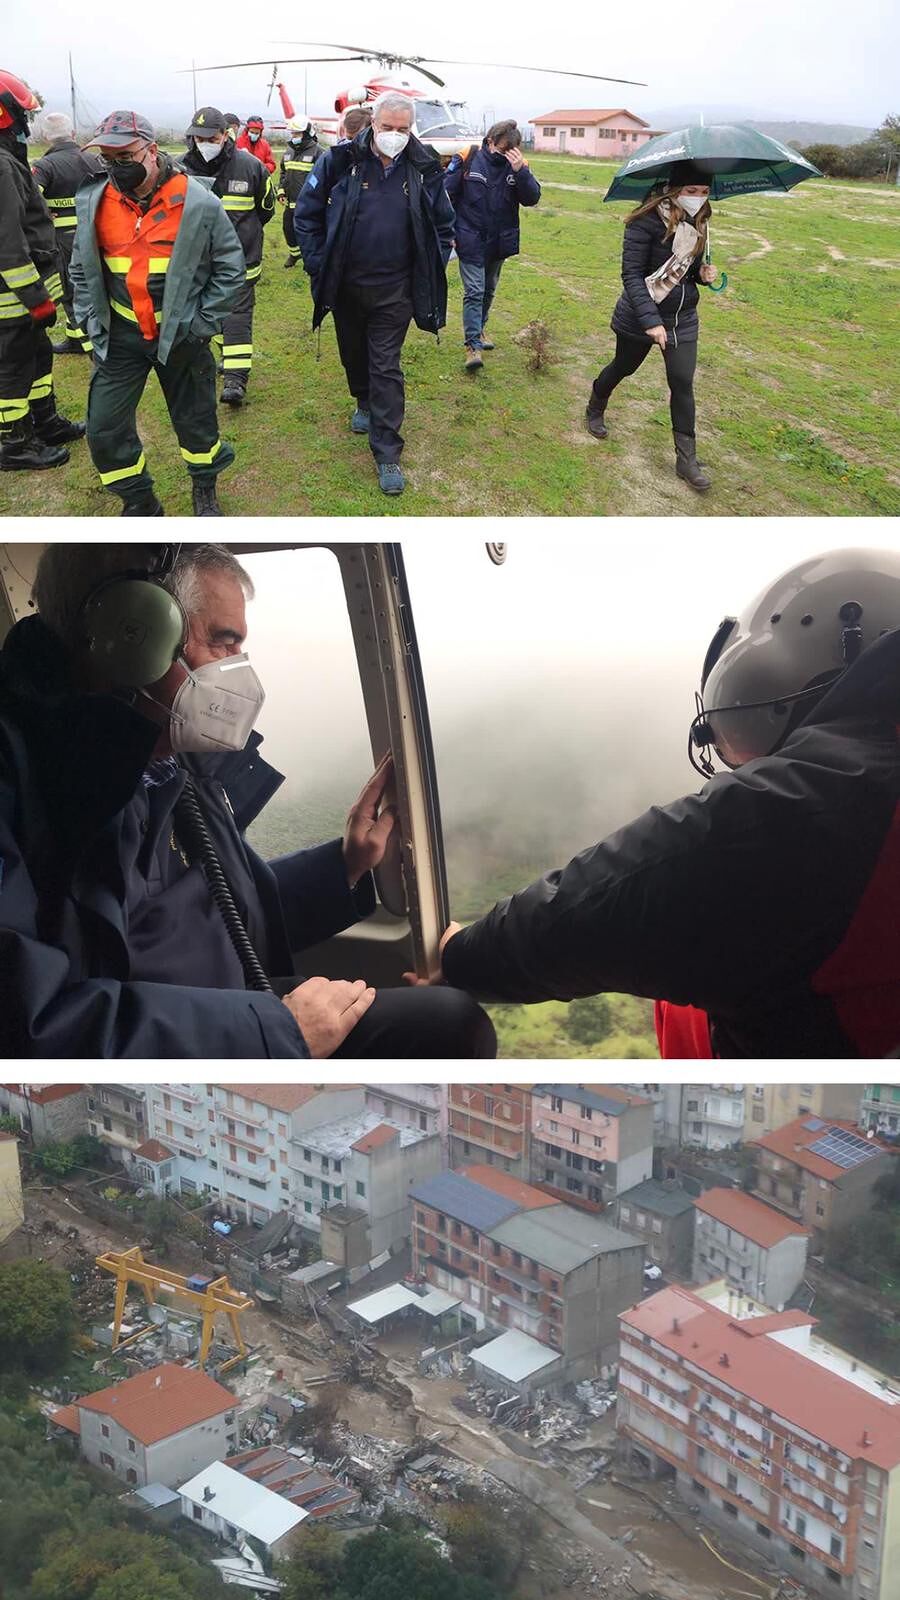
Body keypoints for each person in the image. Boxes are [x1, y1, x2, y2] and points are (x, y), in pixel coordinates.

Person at [0, 542, 496, 1061]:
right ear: (133, 633)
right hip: (187, 1037)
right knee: (447, 1026)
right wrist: (273, 1033)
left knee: (452, 1021)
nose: (238, 672)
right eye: (222, 642)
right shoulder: (24, 778)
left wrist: (345, 866)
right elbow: (30, 1023)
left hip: (233, 1015)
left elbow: (226, 911)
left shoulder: (166, 756)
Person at [426, 549, 900, 1060]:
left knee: (684, 1010)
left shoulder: (813, 802)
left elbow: (601, 902)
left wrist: (461, 956)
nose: (752, 771)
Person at [71, 110, 246, 516]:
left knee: (196, 420)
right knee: (103, 428)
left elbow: (229, 267)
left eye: (125, 156)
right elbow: (80, 266)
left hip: (181, 335)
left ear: (151, 151)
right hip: (120, 336)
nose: (117, 166)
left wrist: (202, 324)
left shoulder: (198, 201)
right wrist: (87, 315)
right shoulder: (95, 199)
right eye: (108, 158)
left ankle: (205, 487)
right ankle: (140, 501)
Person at [294, 91, 454, 497]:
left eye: (403, 130)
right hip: (346, 285)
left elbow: (444, 223)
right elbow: (306, 214)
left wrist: (438, 261)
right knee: (353, 352)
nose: (395, 136)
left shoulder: (423, 167)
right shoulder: (340, 160)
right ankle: (362, 400)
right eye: (388, 128)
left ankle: (387, 452)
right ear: (372, 124)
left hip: (395, 290)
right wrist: (317, 263)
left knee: (386, 365)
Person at [585, 160, 720, 492]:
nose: (698, 198)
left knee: (682, 382)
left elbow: (686, 269)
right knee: (624, 367)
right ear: (674, 189)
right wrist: (650, 322)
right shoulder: (644, 221)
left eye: (704, 192)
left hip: (683, 319)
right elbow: (631, 276)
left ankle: (686, 459)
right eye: (691, 191)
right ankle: (596, 403)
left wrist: (702, 275)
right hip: (640, 316)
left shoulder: (700, 221)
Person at [0, 69, 85, 472]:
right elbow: (8, 247)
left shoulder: (10, 162)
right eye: (24, 116)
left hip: (25, 300)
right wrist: (35, 300)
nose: (28, 124)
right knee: (12, 372)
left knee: (38, 360)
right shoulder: (2, 168)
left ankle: (44, 422)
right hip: (11, 302)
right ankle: (14, 444)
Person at [181, 106, 276, 406]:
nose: (205, 142)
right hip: (196, 261)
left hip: (240, 260)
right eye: (199, 137)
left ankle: (235, 380)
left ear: (225, 135)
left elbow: (266, 208)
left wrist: (244, 234)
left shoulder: (251, 166)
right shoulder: (180, 169)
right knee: (202, 314)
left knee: (237, 316)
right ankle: (202, 370)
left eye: (211, 136)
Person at [444, 119, 541, 372]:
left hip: (500, 240)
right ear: (490, 142)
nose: (506, 155)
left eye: (512, 150)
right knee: (474, 291)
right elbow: (446, 194)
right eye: (502, 149)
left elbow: (532, 199)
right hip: (470, 237)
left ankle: (480, 328)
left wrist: (521, 171)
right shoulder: (469, 158)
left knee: (489, 289)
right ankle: (472, 345)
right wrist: (448, 231)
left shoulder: (518, 166)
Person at [30, 111, 103, 358]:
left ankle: (92, 347)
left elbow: (30, 198)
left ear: (46, 137)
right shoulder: (95, 160)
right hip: (97, 234)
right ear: (72, 134)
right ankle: (75, 339)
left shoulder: (44, 165)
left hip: (63, 239)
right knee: (95, 287)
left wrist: (45, 213)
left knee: (70, 293)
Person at [278, 117, 322, 268]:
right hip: (290, 202)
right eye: (293, 133)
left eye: (297, 134)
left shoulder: (318, 152)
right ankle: (295, 254)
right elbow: (284, 172)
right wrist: (281, 190)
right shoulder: (289, 151)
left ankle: (310, 259)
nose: (294, 137)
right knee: (288, 229)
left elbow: (322, 177)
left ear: (307, 133)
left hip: (309, 204)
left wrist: (312, 193)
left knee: (308, 233)